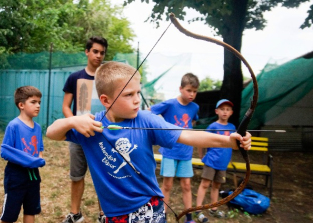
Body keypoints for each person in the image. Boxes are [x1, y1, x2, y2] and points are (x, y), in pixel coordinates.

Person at [46, 61, 252, 223]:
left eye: (137, 92)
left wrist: (230, 141)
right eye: (128, 95)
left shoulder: (145, 119)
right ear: (106, 100)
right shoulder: (90, 125)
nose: (137, 99)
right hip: (113, 213)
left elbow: (187, 135)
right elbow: (52, 133)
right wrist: (72, 120)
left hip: (148, 208)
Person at [61, 36, 108, 223]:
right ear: (87, 51)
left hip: (102, 136)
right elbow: (66, 106)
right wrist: (75, 123)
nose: (98, 55)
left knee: (104, 177)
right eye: (95, 51)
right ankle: (75, 214)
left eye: (102, 52)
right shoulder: (75, 77)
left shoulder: (107, 79)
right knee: (76, 175)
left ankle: (104, 215)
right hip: (79, 137)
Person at [150, 73, 199, 223]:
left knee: (186, 185)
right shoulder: (170, 104)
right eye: (189, 90)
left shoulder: (195, 107)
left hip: (186, 152)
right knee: (167, 184)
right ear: (181, 88)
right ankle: (162, 216)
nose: (192, 94)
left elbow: (193, 122)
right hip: (170, 151)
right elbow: (151, 112)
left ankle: (189, 217)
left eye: (195, 91)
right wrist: (161, 127)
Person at [0, 86, 45, 223]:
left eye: (39, 102)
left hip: (33, 177)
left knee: (31, 210)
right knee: (10, 214)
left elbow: (39, 149)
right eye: (33, 102)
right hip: (16, 176)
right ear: (21, 105)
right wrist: (30, 161)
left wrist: (39, 159)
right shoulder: (13, 126)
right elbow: (5, 151)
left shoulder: (37, 127)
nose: (38, 105)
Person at [195, 99, 236, 223]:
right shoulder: (213, 126)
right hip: (211, 161)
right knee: (205, 184)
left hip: (222, 163)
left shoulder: (232, 127)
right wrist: (201, 155)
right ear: (216, 111)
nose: (225, 112)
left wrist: (229, 159)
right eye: (222, 109)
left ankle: (213, 208)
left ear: (231, 113)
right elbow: (202, 140)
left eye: (227, 109)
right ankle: (198, 210)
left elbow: (233, 144)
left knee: (216, 186)